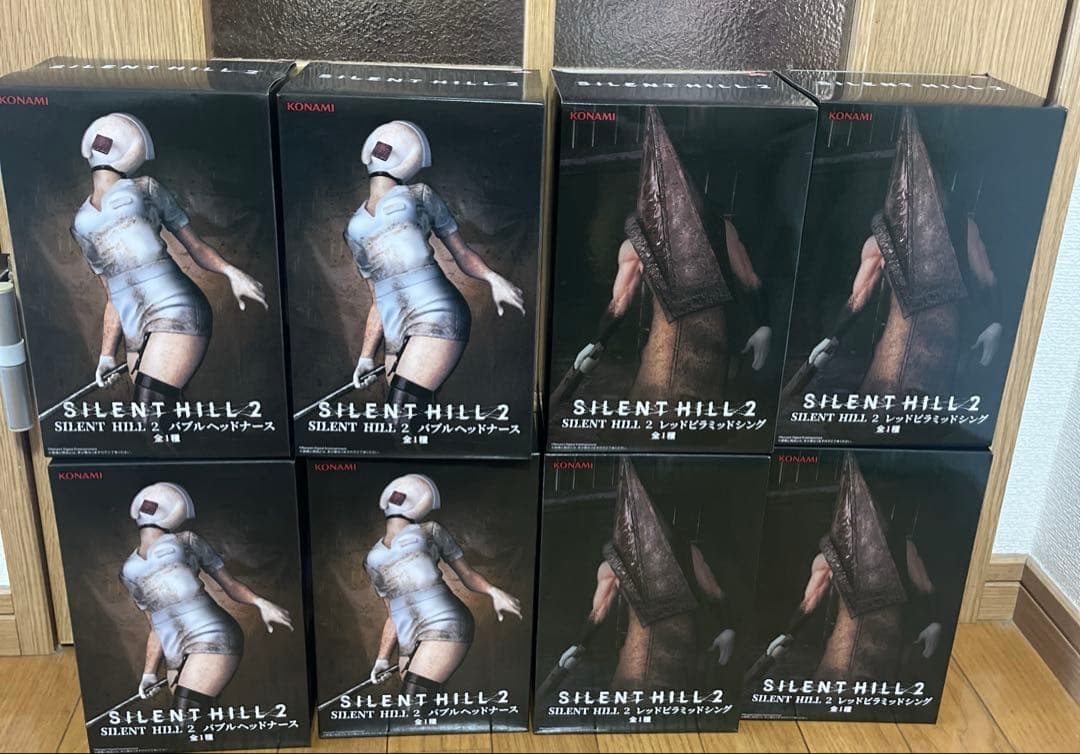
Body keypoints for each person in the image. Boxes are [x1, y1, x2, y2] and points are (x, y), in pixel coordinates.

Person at [565, 106, 772, 405]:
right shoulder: (638, 243)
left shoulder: (720, 229)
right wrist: (598, 342)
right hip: (666, 348)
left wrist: (763, 324)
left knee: (696, 412)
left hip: (710, 345)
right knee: (657, 405)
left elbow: (750, 279)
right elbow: (620, 302)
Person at [73, 112, 267, 410]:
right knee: (157, 418)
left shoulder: (146, 188)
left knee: (150, 410)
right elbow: (113, 296)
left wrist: (231, 273)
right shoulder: (81, 223)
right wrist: (106, 355)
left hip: (176, 308)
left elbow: (195, 246)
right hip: (135, 325)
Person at [803, 107, 1002, 397]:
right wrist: (833, 337)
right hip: (897, 356)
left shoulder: (962, 228)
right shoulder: (883, 238)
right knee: (885, 402)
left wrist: (994, 322)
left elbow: (986, 276)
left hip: (938, 352)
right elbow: (859, 296)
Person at [345, 121, 524, 418]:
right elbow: (378, 299)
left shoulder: (420, 196)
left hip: (438, 313)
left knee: (403, 413)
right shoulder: (354, 229)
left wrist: (494, 279)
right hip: (396, 327)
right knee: (409, 421)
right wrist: (366, 357)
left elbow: (462, 254)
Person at [544, 458, 736, 693]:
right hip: (641, 660)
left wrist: (728, 628)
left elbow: (715, 593)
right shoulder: (616, 564)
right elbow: (599, 610)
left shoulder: (687, 553)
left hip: (679, 656)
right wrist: (580, 644)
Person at [759, 453, 941, 682]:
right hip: (848, 654)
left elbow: (925, 586)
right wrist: (788, 634)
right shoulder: (834, 553)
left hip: (876, 652)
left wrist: (933, 622)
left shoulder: (900, 547)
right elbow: (810, 599)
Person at [121, 482, 292, 711]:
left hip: (212, 635)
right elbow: (156, 627)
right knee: (195, 720)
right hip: (174, 649)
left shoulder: (187, 541)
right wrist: (149, 673)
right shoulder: (128, 571)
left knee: (187, 715)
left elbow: (229, 584)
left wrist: (260, 603)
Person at [364, 473, 522, 696]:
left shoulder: (430, 531)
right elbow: (393, 615)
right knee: (420, 704)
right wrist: (382, 658)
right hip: (410, 634)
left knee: (413, 700)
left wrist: (493, 591)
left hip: (446, 622)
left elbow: (467, 574)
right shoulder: (372, 559)